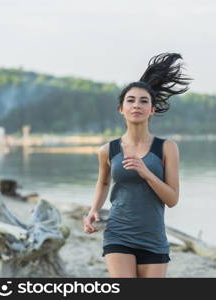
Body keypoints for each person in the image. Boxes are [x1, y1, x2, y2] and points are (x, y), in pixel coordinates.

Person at [83, 53, 191, 278]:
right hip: (118, 234)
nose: (137, 105)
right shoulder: (108, 150)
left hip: (154, 237)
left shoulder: (166, 148)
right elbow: (103, 182)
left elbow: (172, 200)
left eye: (144, 101)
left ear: (152, 109)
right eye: (130, 100)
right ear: (121, 109)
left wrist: (146, 173)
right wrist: (93, 210)